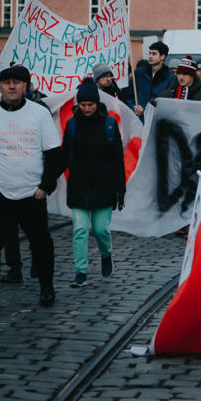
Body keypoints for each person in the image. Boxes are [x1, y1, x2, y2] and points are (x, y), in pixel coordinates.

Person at [0, 65, 62, 317]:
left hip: (32, 194)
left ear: (25, 87)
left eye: (17, 82)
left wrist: (45, 187)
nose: (11, 86)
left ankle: (46, 286)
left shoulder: (39, 114)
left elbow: (54, 154)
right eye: (6, 82)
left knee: (42, 244)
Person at [60, 78, 125, 287]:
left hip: (103, 186)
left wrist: (120, 189)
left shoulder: (109, 124)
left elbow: (118, 159)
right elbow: (64, 155)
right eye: (83, 105)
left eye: (90, 105)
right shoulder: (71, 124)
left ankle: (106, 254)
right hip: (79, 185)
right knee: (80, 229)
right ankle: (81, 271)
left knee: (100, 230)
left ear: (97, 104)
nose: (87, 109)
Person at [125, 41, 176, 118]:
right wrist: (133, 108)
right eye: (150, 53)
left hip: (157, 120)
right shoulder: (139, 73)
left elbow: (168, 103)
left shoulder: (170, 77)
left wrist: (145, 110)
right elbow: (128, 95)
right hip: (138, 120)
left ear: (162, 57)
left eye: (154, 54)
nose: (150, 56)